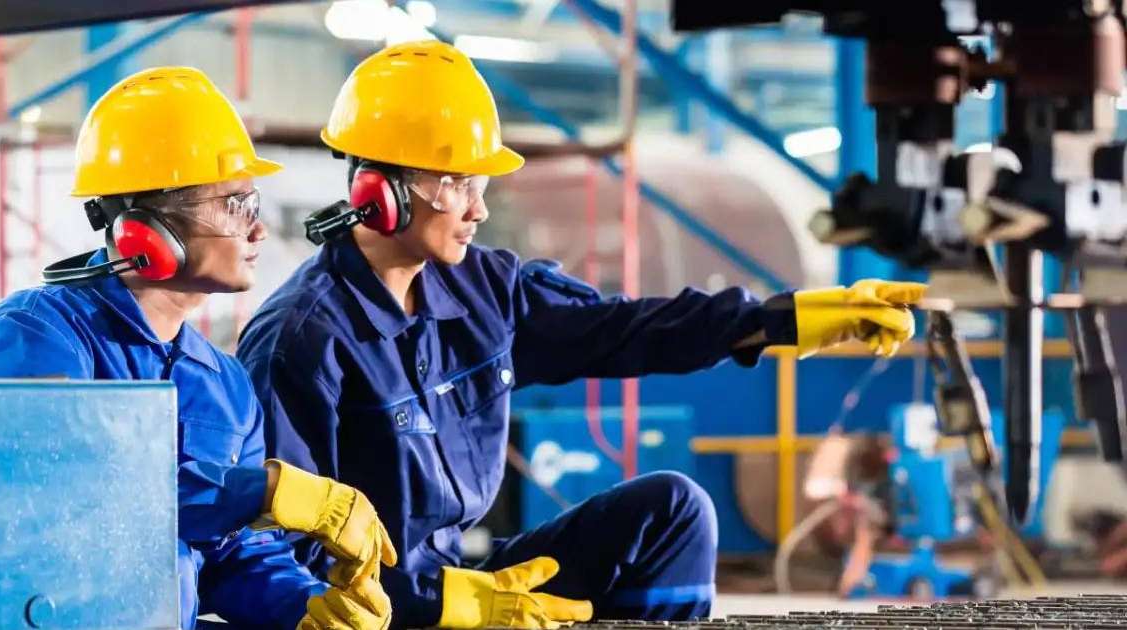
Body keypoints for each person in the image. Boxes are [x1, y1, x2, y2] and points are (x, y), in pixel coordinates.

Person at [237, 40, 925, 629]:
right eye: (458, 183)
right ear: (378, 194)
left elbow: (624, 330)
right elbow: (286, 561)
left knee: (673, 512)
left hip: (466, 580)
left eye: (480, 184)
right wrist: (442, 604)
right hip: (379, 611)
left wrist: (775, 321)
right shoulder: (305, 340)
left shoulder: (485, 289)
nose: (479, 209)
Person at [0, 66, 396, 630]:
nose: (259, 231)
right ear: (145, 230)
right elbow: (77, 489)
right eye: (235, 205)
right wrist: (264, 490)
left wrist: (305, 608)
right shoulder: (35, 335)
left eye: (254, 204)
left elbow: (234, 557)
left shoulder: (225, 384)